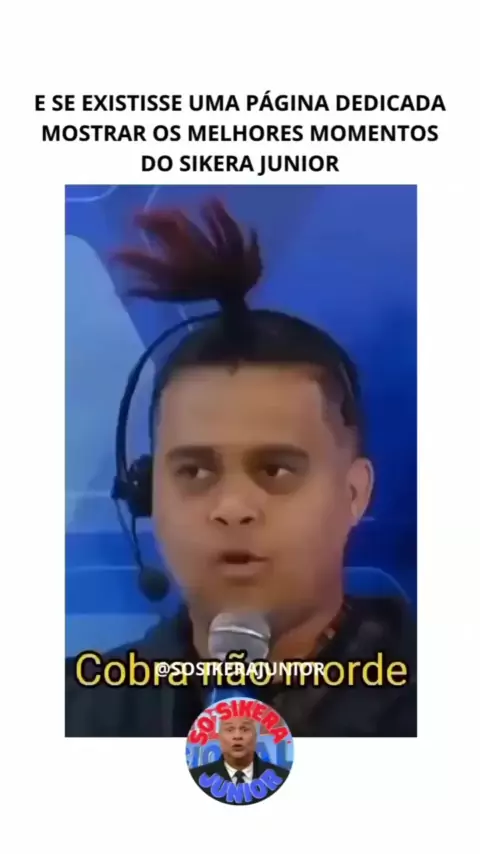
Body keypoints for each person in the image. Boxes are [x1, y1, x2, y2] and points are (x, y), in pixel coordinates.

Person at [66, 199, 416, 737]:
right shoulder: (68, 712)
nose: (232, 508)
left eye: (276, 470)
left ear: (354, 494)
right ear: (147, 493)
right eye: (194, 472)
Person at [189, 716, 289, 796]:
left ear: (255, 737)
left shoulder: (281, 778)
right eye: (230, 729)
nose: (237, 736)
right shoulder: (196, 779)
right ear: (219, 737)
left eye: (245, 729)